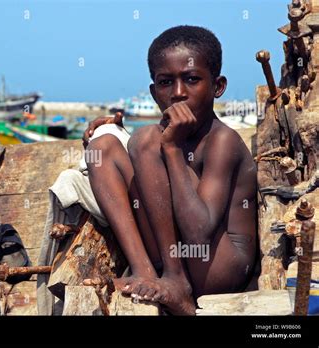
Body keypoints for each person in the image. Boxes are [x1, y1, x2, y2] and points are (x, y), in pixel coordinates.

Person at [82, 25, 257, 315]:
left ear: (217, 86)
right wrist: (114, 132)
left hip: (220, 269)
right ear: (154, 92)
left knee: (147, 139)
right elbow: (155, 181)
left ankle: (176, 281)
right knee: (104, 147)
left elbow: (199, 231)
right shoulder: (163, 135)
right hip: (178, 258)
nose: (178, 93)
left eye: (191, 79)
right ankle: (144, 270)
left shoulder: (223, 140)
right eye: (166, 82)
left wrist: (172, 148)